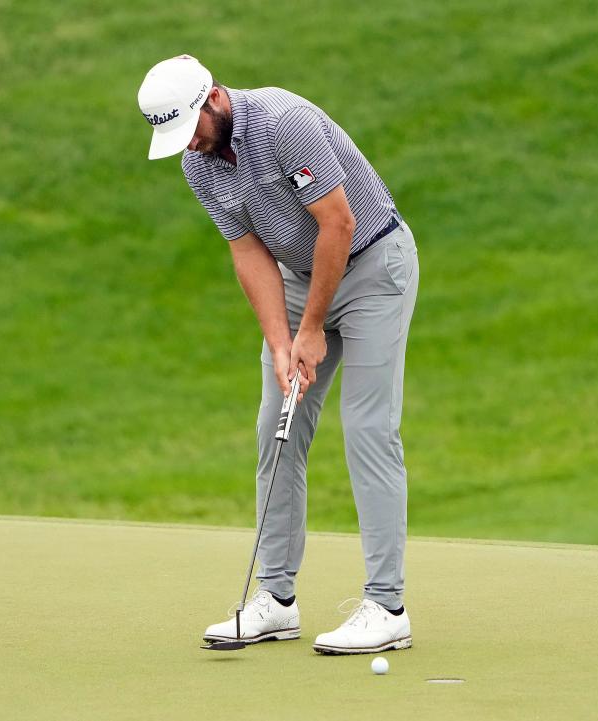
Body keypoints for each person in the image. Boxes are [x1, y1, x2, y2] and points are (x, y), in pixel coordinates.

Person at [137, 55, 418, 654]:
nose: (189, 145)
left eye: (191, 128)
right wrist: (281, 341)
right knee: (277, 426)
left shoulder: (283, 121)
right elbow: (247, 253)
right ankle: (276, 598)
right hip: (297, 277)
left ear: (213, 98)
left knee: (368, 428)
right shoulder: (199, 165)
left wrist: (312, 328)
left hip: (372, 266)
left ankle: (387, 606)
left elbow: (338, 225)